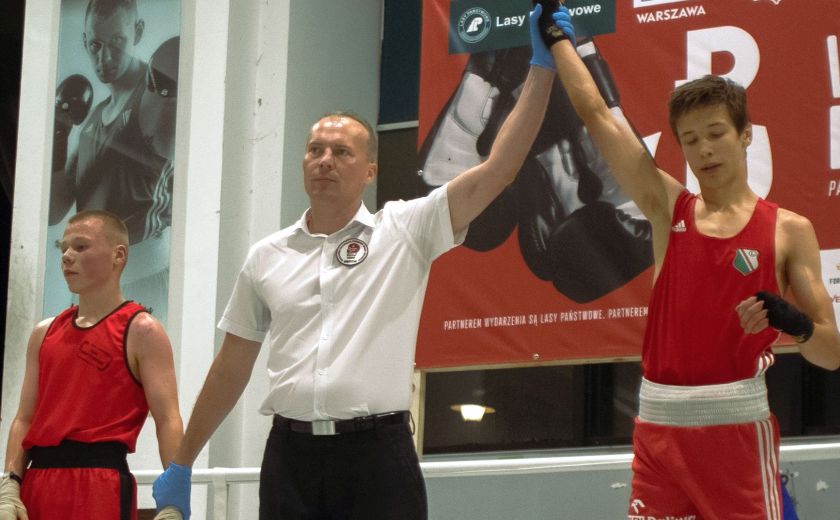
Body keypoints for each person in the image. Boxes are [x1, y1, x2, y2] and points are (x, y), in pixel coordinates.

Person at [151, 6, 556, 519]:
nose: (325, 160)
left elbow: (499, 170)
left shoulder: (405, 230)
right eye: (315, 150)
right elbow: (231, 368)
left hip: (377, 460)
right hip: (290, 460)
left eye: (342, 152)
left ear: (370, 170)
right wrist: (183, 462)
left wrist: (543, 69)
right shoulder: (266, 256)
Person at [540, 3, 840, 519]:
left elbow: (831, 354)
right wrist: (555, 36)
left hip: (737, 436)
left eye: (716, 133)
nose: (704, 150)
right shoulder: (666, 208)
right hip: (659, 435)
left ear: (745, 134)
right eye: (691, 139)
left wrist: (793, 322)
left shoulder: (789, 230)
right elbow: (597, 114)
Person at [0, 210, 183, 520]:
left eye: (81, 246)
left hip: (101, 487)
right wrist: (10, 483)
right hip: (37, 485)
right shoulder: (43, 333)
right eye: (63, 248)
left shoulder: (142, 330)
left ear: (118, 255)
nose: (67, 256)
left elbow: (168, 419)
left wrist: (174, 499)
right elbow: (25, 418)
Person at [50, 0, 173, 323]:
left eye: (117, 42)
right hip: (89, 282)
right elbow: (54, 210)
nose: (104, 58)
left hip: (141, 280)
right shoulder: (94, 119)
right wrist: (60, 132)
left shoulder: (155, 98)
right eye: (96, 45)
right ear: (85, 42)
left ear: (138, 31)